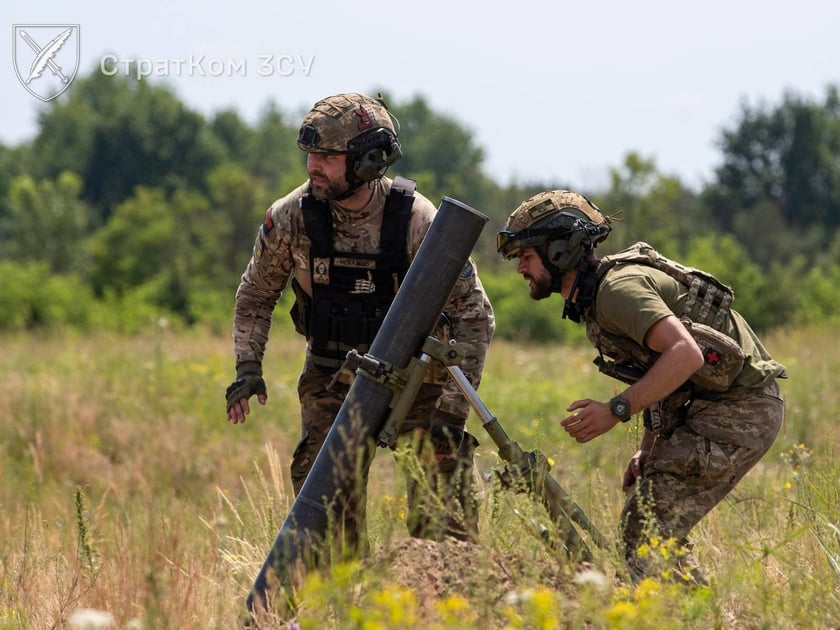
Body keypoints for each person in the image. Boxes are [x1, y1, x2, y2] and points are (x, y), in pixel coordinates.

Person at [225, 93, 495, 552]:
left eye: (327, 157)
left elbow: (474, 317)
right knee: (322, 518)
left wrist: (450, 415)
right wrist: (248, 366)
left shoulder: (417, 220)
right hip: (334, 377)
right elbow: (256, 293)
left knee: (444, 509)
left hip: (417, 383)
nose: (313, 166)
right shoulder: (291, 217)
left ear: (369, 161)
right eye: (310, 154)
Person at [497, 189, 786, 583]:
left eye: (526, 256)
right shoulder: (597, 297)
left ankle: (671, 607)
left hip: (741, 409)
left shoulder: (617, 293)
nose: (520, 269)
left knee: (645, 527)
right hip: (719, 406)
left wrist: (615, 410)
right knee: (648, 523)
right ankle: (692, 607)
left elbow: (685, 355)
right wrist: (648, 448)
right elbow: (659, 372)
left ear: (559, 251)